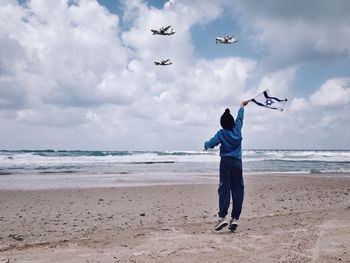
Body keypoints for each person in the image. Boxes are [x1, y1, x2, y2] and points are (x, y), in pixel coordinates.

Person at [204, 100, 249, 231]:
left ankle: (222, 217)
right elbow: (240, 118)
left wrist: (205, 145)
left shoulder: (221, 133)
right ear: (232, 122)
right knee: (238, 190)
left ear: (222, 124)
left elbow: (212, 143)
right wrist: (241, 106)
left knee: (224, 189)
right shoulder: (237, 129)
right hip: (237, 163)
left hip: (225, 164)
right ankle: (235, 218)